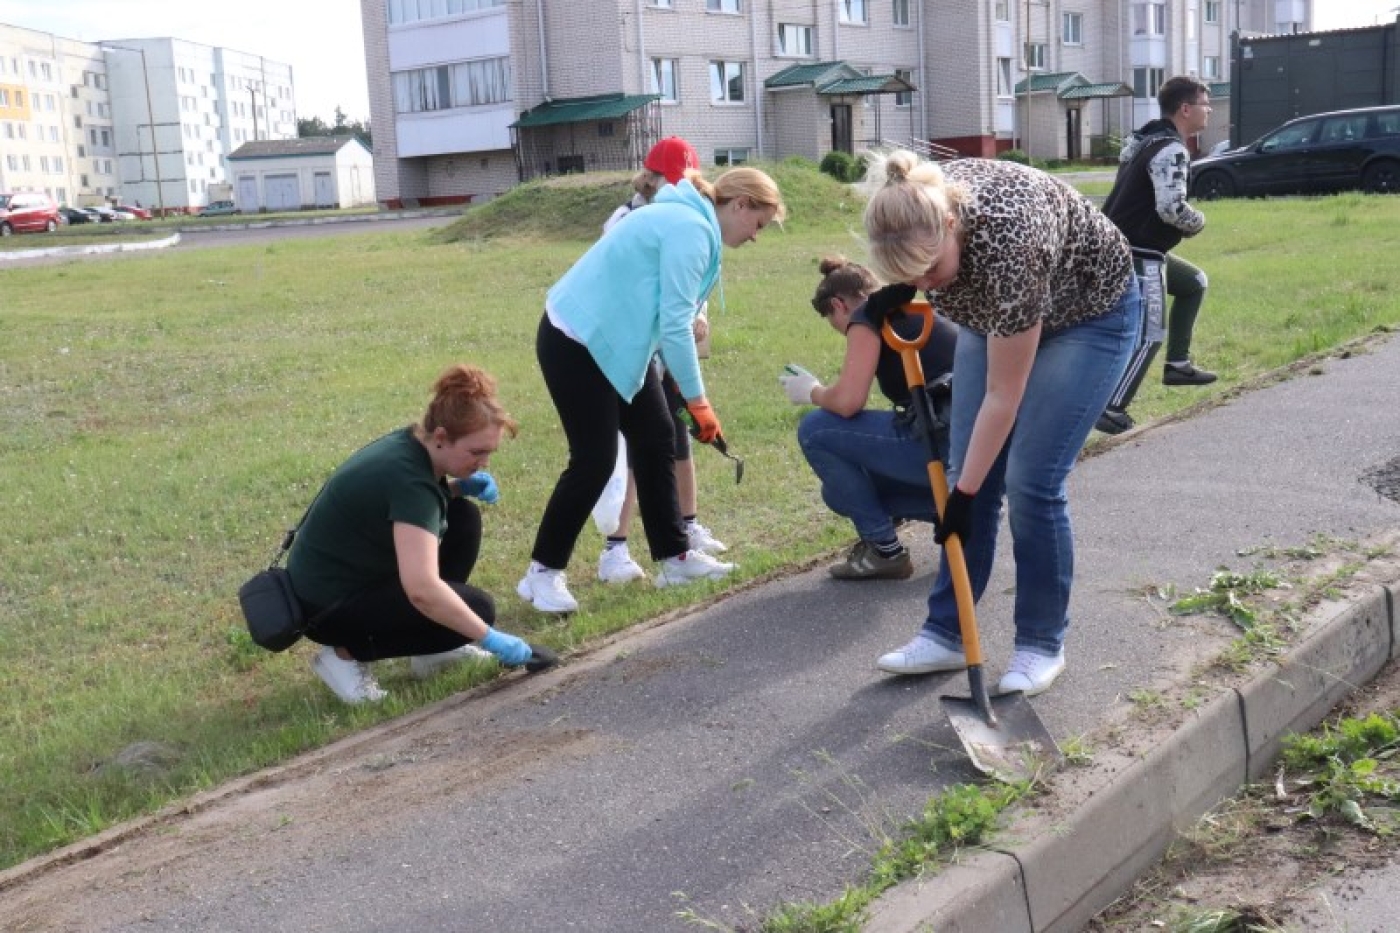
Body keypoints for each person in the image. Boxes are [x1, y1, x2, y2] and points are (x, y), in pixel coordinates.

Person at [862, 150, 1140, 696]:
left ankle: (1040, 644)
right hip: (997, 312)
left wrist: (962, 496)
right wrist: (901, 287)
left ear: (949, 224)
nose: (925, 285)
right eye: (908, 276)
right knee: (972, 469)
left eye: (931, 272)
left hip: (1091, 316)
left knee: (1029, 481)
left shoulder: (1010, 246)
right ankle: (947, 632)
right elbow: (943, 279)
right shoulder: (919, 203)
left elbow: (1002, 395)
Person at [518, 164, 786, 613]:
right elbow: (678, 326)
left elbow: (663, 318)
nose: (755, 236)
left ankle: (674, 557)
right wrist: (699, 403)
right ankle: (541, 574)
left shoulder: (692, 223)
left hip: (617, 342)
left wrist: (687, 396)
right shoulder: (691, 230)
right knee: (594, 460)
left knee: (657, 435)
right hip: (576, 338)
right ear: (740, 205)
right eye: (757, 224)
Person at [286, 364, 536, 704]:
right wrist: (487, 637)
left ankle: (434, 651)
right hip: (325, 607)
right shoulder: (411, 481)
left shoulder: (412, 446)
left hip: (342, 579)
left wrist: (459, 488)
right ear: (442, 438)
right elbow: (421, 590)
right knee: (478, 610)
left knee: (462, 516)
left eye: (489, 453)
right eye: (477, 452)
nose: (484, 463)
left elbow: (409, 508)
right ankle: (343, 655)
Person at [595, 137, 729, 586]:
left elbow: (686, 286)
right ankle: (616, 546)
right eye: (669, 180)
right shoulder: (625, 219)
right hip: (632, 350)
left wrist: (700, 317)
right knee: (637, 448)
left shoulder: (687, 219)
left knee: (676, 439)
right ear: (649, 177)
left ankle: (685, 526)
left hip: (670, 349)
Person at [778, 255, 957, 580]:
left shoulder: (866, 317)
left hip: (941, 448)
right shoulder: (912, 309)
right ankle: (955, 513)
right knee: (837, 492)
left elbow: (848, 402)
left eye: (834, 322)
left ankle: (884, 550)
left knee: (815, 429)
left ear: (838, 304)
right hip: (980, 454)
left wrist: (811, 391)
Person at [1096, 75, 1216, 436]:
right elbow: (1171, 208)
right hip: (1139, 251)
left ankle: (1178, 365)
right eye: (1204, 103)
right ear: (1185, 109)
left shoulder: (1146, 140)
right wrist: (1198, 223)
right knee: (1149, 334)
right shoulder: (1171, 149)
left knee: (1193, 282)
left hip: (1123, 245)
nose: (1208, 109)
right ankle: (1112, 409)